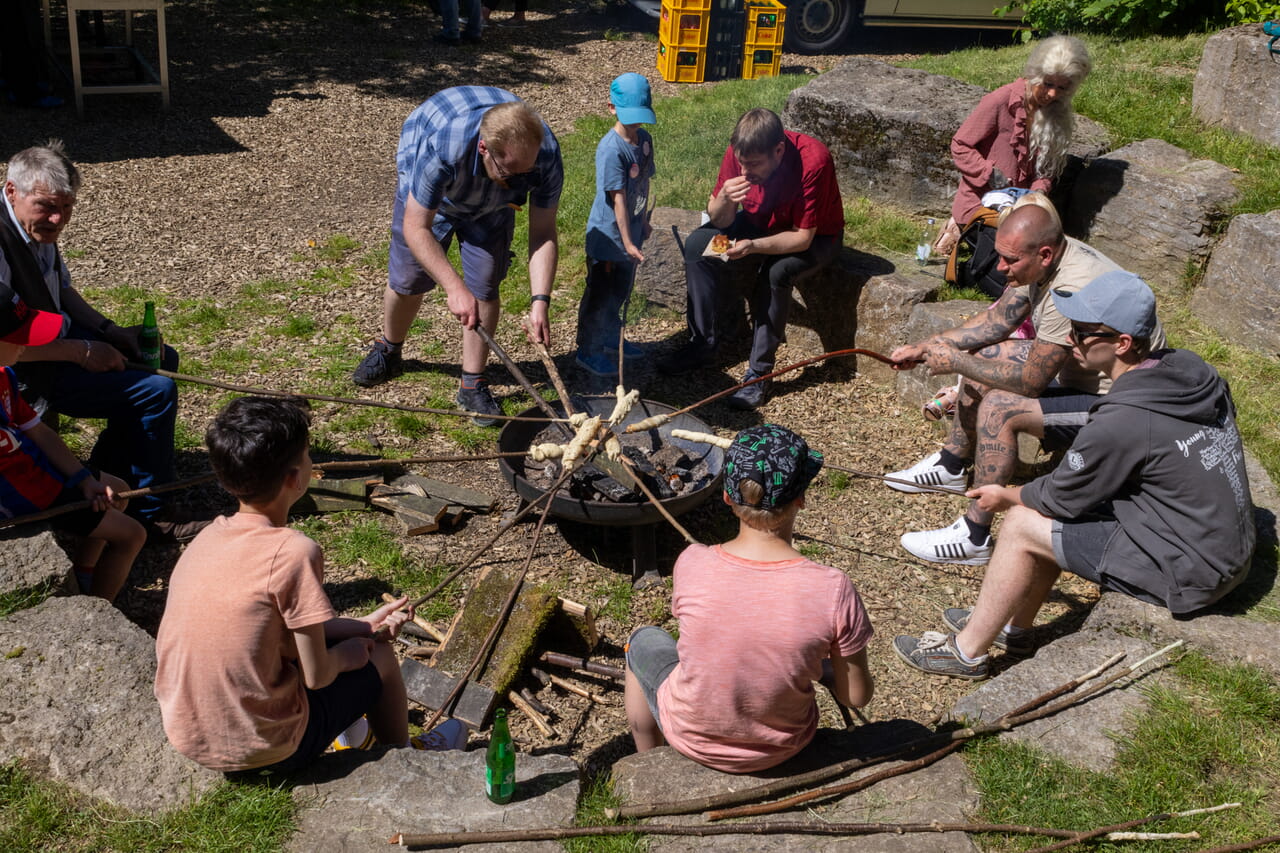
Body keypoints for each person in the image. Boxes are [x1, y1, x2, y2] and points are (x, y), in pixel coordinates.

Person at [894, 272, 1254, 680]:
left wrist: (1005, 494)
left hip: (1190, 570)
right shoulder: (1188, 373)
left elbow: (1059, 498)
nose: (1070, 339)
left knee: (1022, 523)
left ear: (1121, 344)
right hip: (1222, 546)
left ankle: (965, 652)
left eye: (1083, 332)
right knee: (1041, 518)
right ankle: (1015, 629)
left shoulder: (1126, 419)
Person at [155, 396, 466, 775]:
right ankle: (405, 760)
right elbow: (318, 675)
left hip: (194, 737)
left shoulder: (206, 539)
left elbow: (270, 632)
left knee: (364, 640)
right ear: (294, 477)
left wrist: (364, 625)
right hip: (268, 749)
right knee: (379, 657)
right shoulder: (293, 552)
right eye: (307, 455)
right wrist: (351, 654)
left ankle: (351, 730)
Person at [885, 202, 1164, 566]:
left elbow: (1031, 382)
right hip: (1084, 376)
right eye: (1000, 257)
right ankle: (951, 466)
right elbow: (998, 319)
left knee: (1001, 407)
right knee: (983, 359)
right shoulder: (1041, 260)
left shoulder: (1069, 287)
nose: (1000, 268)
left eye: (1009, 261)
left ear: (1044, 254)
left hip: (1118, 401)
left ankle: (974, 537)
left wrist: (955, 361)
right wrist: (929, 346)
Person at [624, 424, 874, 773]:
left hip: (691, 736)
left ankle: (647, 762)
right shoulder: (834, 589)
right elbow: (856, 697)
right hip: (783, 747)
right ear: (800, 498)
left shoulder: (693, 561)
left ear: (727, 496)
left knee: (643, 640)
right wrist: (822, 667)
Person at [0, 142, 200, 541]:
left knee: (159, 356)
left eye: (67, 207)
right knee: (155, 391)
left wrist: (110, 332)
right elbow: (5, 342)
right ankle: (153, 510)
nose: (58, 219)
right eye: (47, 206)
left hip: (52, 338)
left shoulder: (34, 223)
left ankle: (115, 470)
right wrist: (82, 351)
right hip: (23, 366)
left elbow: (63, 292)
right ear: (11, 192)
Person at [351, 87, 563, 426]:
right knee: (408, 280)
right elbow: (416, 227)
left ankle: (472, 383)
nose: (521, 180)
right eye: (511, 174)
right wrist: (453, 287)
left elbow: (542, 234)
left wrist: (541, 301)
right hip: (435, 196)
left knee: (485, 284)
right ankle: (389, 349)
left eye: (526, 173)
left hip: (492, 207)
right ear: (485, 149)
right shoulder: (442, 148)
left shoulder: (544, 156)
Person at [657, 108, 844, 410]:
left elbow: (801, 238)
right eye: (742, 163)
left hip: (814, 240)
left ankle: (759, 374)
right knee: (699, 246)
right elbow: (719, 219)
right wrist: (725, 200)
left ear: (778, 150)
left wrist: (753, 247)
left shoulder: (813, 161)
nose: (745, 173)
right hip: (758, 225)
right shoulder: (740, 153)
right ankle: (701, 344)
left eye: (755, 164)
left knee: (776, 271)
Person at [0, 283, 144, 602]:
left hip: (35, 472)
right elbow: (16, 478)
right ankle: (99, 610)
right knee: (133, 535)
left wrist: (80, 477)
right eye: (19, 337)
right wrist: (70, 494)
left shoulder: (4, 375)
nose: (27, 345)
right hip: (24, 496)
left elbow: (39, 431)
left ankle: (84, 574)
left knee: (118, 490)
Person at [934, 35, 1091, 257]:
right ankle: (959, 225)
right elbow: (960, 145)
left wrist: (1038, 192)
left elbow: (1047, 168)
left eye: (1063, 88)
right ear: (1035, 75)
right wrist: (989, 173)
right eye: (1047, 84)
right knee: (1016, 256)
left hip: (1022, 207)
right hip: (984, 201)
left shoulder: (1057, 111)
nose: (1053, 94)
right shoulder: (1000, 100)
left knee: (1047, 253)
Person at [575, 73, 655, 378]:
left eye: (640, 117)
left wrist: (644, 222)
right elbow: (619, 199)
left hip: (631, 233)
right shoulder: (611, 149)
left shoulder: (644, 141)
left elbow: (643, 184)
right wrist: (627, 244)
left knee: (621, 289)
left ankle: (610, 337)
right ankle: (588, 350)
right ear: (611, 108)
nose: (636, 124)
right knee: (600, 295)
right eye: (630, 117)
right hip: (609, 239)